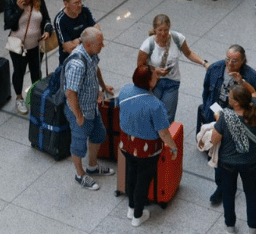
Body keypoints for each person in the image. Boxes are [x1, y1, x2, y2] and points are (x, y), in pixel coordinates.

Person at [118, 65, 178, 226]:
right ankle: (138, 215)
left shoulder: (125, 90)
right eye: (154, 76)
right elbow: (163, 133)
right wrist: (173, 147)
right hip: (147, 150)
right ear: (149, 83)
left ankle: (131, 207)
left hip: (126, 144)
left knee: (131, 173)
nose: (156, 78)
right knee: (143, 181)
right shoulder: (155, 105)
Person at [63, 27, 115, 190]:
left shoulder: (91, 55)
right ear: (88, 44)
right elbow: (70, 92)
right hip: (80, 111)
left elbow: (95, 69)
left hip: (91, 107)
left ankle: (92, 166)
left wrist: (103, 86)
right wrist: (78, 116)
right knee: (78, 145)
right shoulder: (77, 64)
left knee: (99, 134)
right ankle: (80, 174)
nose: (103, 46)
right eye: (100, 43)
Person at [137, 14, 208, 124]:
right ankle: (153, 138)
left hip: (172, 82)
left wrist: (204, 63)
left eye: (166, 30)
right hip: (154, 82)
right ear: (155, 29)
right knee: (151, 114)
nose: (163, 33)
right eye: (160, 30)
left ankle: (165, 139)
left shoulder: (177, 38)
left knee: (168, 117)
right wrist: (155, 70)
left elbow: (188, 53)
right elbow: (140, 66)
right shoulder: (148, 44)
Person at [210, 85, 256, 233]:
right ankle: (252, 226)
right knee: (251, 192)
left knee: (228, 193)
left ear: (237, 102)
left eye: (231, 97)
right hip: (250, 161)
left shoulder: (225, 117)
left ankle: (230, 225)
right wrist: (242, 81)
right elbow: (254, 92)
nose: (228, 98)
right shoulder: (255, 109)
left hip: (228, 163)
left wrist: (218, 120)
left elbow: (214, 140)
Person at [3, 0, 52, 114]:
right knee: (19, 71)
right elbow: (8, 24)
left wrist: (48, 29)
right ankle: (19, 97)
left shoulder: (38, 0)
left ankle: (36, 97)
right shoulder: (11, 2)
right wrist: (19, 9)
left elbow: (46, 18)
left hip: (36, 45)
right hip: (19, 46)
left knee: (36, 71)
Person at [53, 0, 98, 65]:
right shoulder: (60, 20)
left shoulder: (85, 10)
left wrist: (78, 40)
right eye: (76, 3)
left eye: (80, 1)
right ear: (66, 4)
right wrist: (87, 37)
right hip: (71, 62)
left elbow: (97, 33)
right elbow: (69, 48)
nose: (80, 5)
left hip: (90, 57)